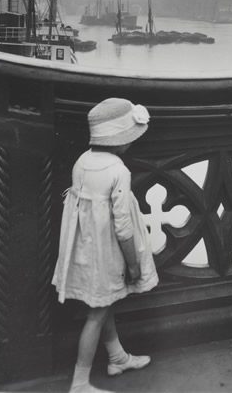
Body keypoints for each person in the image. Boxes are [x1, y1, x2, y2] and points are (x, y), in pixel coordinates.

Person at [52, 98, 159, 392]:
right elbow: (123, 227)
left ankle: (117, 358)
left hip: (86, 250)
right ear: (121, 140)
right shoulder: (118, 171)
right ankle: (80, 382)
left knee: (104, 302)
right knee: (97, 314)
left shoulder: (82, 161)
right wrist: (133, 264)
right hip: (108, 252)